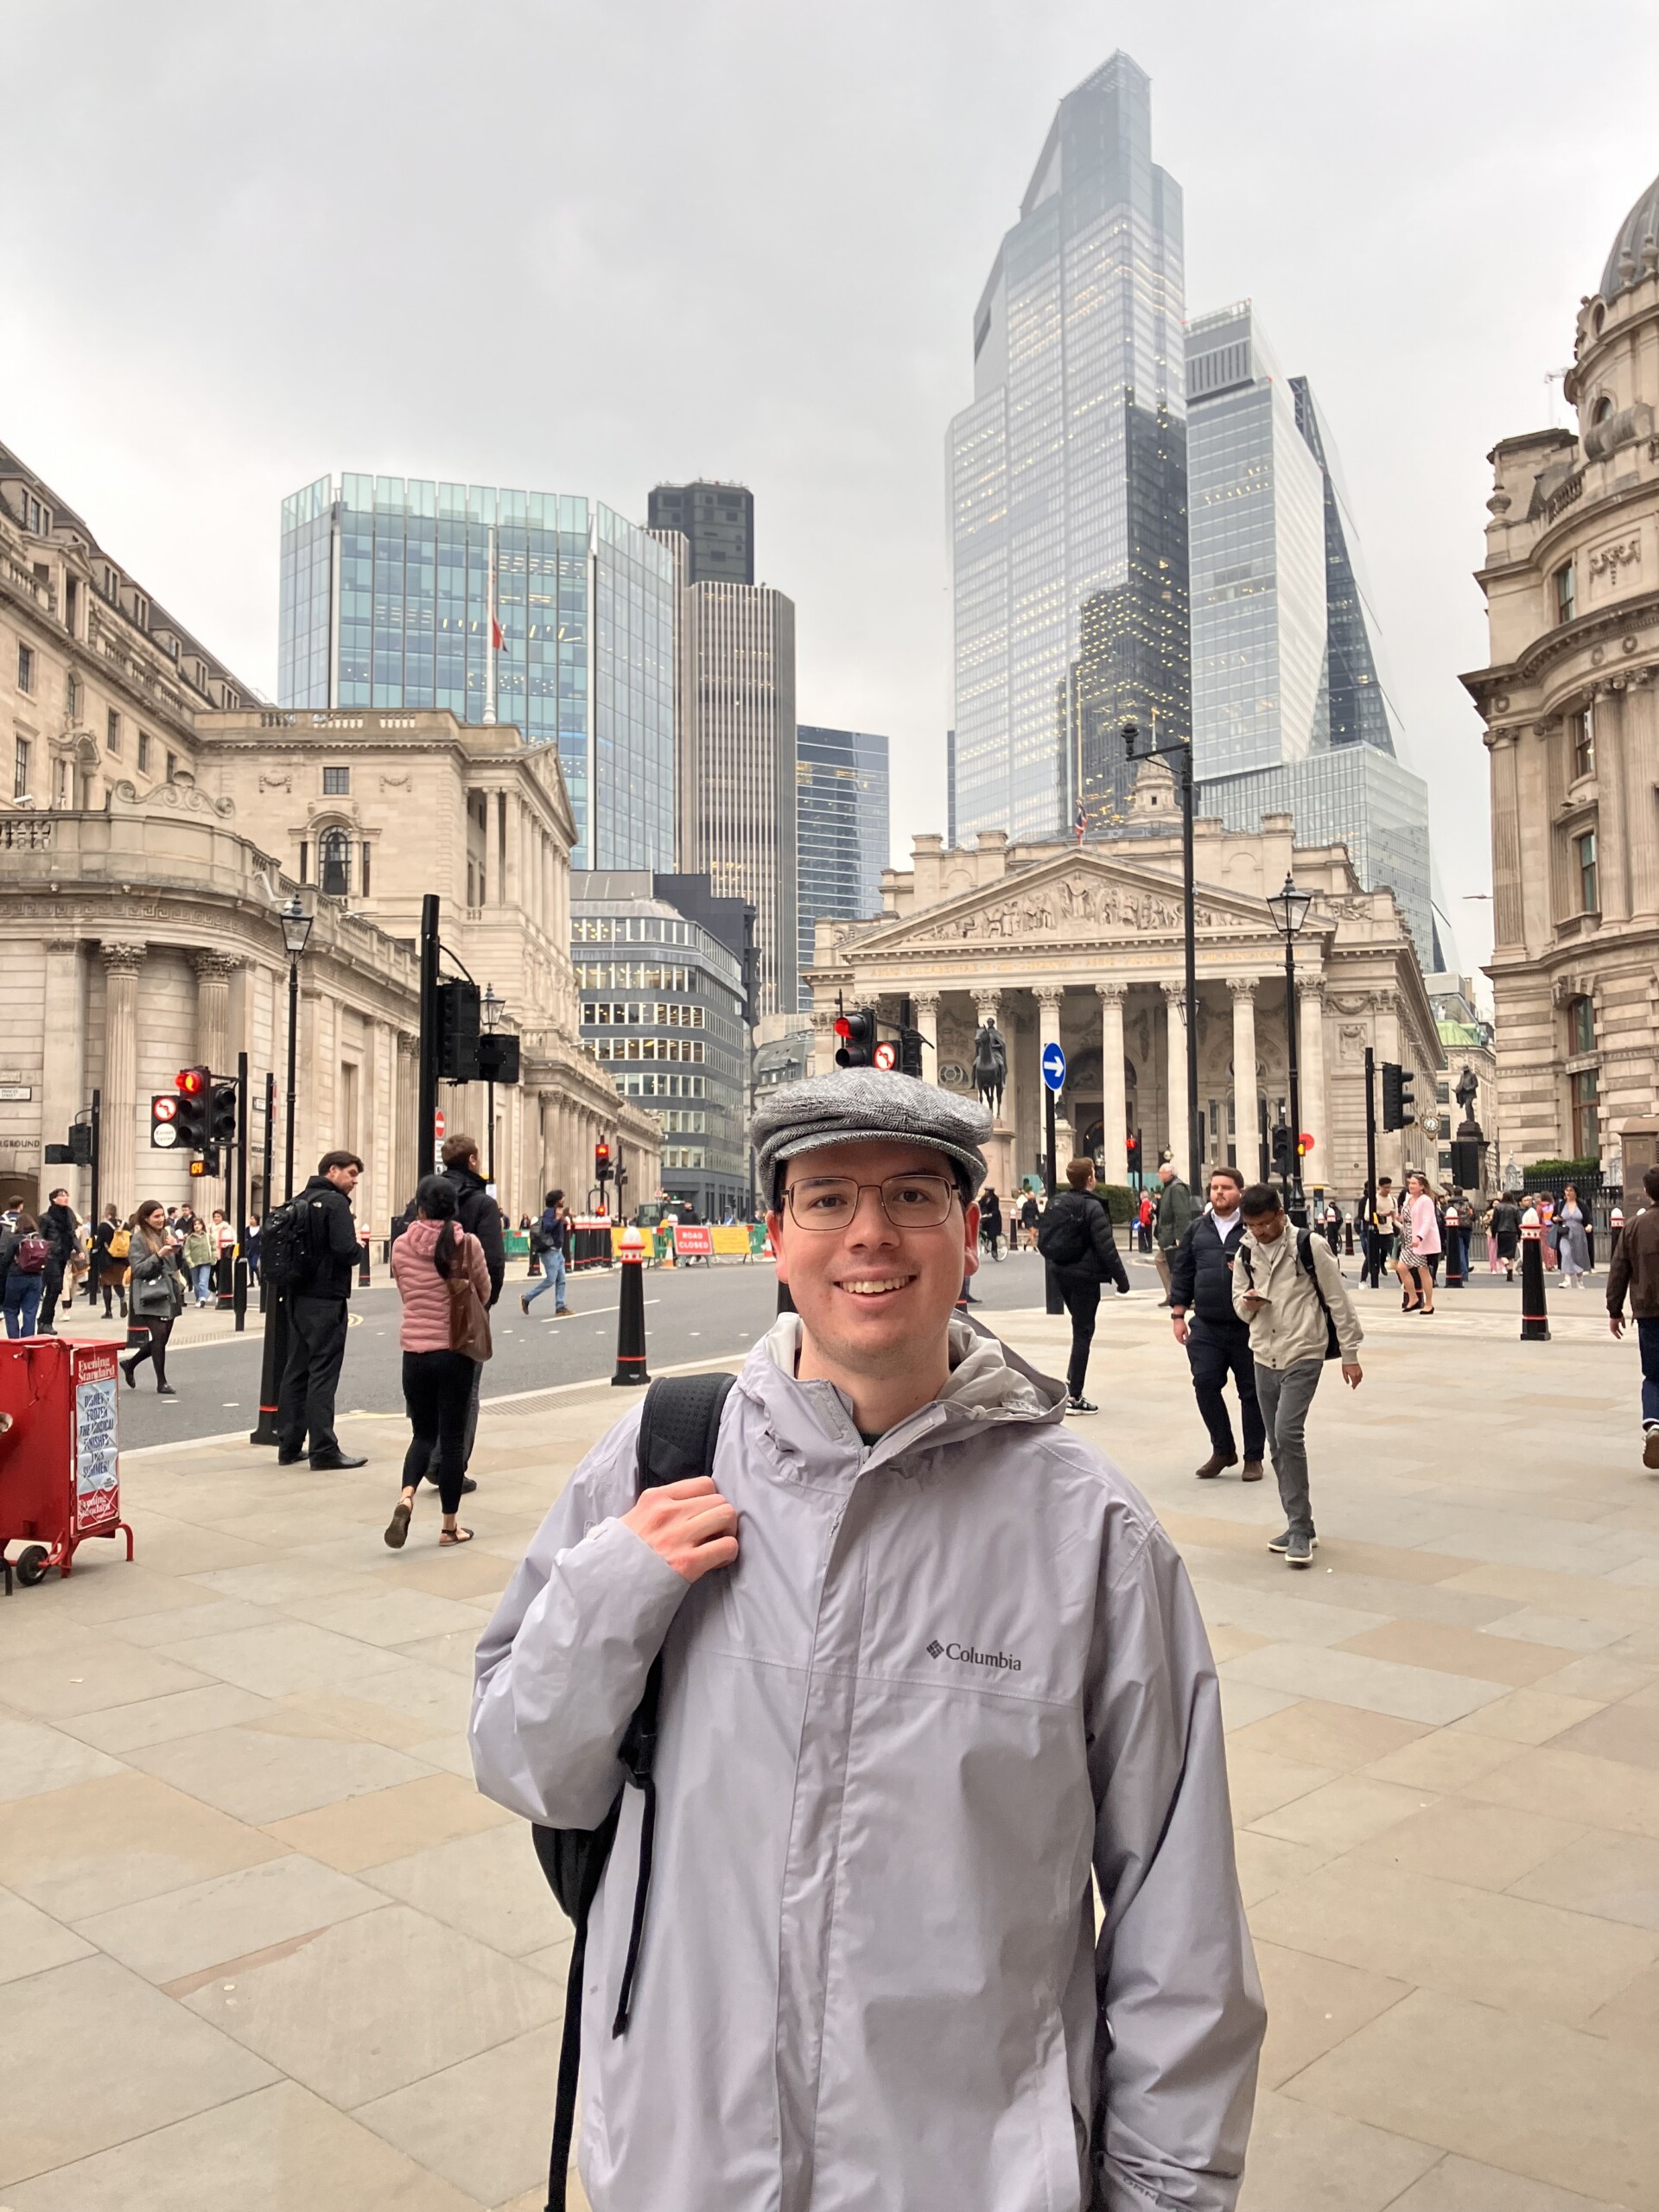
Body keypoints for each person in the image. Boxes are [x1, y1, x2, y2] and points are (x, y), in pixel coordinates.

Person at [472, 1069, 1264, 2209]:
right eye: (828, 1198)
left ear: (971, 1231)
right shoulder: (656, 1459)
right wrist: (611, 1593)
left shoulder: (1091, 1536)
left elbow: (1179, 1931)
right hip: (682, 2165)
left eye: (913, 1197)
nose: (870, 1236)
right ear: (781, 1238)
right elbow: (523, 1763)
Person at [1232, 1181, 1363, 1567]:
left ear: (1280, 1214)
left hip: (1303, 1349)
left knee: (1289, 1433)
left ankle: (1301, 1531)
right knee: (1276, 1442)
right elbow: (1237, 1303)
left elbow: (1338, 1299)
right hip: (1263, 1352)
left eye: (1264, 1224)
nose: (1259, 1232)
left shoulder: (1310, 1245)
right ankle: (1297, 1521)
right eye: (1252, 1225)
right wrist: (1248, 1304)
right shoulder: (1245, 1251)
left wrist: (1350, 1354)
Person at [385, 1175, 492, 1549]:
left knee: (422, 1435)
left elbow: (404, 1290)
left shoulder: (400, 1245)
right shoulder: (467, 1244)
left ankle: (406, 1497)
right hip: (454, 1353)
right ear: (454, 1209)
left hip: (414, 1354)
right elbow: (484, 1290)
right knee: (450, 1442)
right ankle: (449, 1528)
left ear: (419, 1207)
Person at [418, 1135, 505, 1491]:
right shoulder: (482, 1204)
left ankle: (427, 1456)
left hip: (424, 1307)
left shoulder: (422, 1202)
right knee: (465, 1389)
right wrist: (485, 1302)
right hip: (466, 1305)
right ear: (472, 1161)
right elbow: (493, 1262)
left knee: (428, 1388)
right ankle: (447, 1465)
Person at [1169, 1166, 1265, 1483]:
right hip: (1207, 1324)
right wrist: (1178, 1314)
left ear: (1240, 1191)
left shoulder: (1254, 1230)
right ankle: (1223, 1449)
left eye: (1226, 1187)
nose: (1219, 1193)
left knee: (1252, 1392)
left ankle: (1254, 1457)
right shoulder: (1198, 1229)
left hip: (1247, 1324)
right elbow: (1182, 1272)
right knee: (1205, 1383)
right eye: (1214, 1188)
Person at [276, 1149, 368, 1471]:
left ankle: (288, 1444)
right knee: (323, 1372)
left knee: (297, 1369)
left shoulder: (300, 1199)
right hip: (326, 1298)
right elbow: (345, 1250)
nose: (355, 1181)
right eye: (352, 1173)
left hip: (297, 1295)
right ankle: (324, 1449)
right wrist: (359, 1250)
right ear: (333, 1170)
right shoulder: (335, 1204)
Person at [1038, 1155, 1131, 1413]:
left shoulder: (1057, 1201)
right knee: (1083, 1332)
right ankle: (1074, 1395)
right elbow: (1106, 1247)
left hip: (1061, 1273)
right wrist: (1122, 1281)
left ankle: (1072, 1387)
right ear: (1090, 1178)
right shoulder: (1092, 1207)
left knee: (1079, 1328)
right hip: (1085, 1277)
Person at [1608, 1166, 1659, 1468]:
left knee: (1654, 1375)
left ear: (1648, 1192)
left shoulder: (1633, 1227)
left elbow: (1619, 1271)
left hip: (1649, 1310)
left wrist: (1614, 1311)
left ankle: (1654, 1425)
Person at [119, 1201, 188, 1391]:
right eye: (156, 1216)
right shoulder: (139, 1239)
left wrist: (177, 1249)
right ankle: (161, 1382)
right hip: (150, 1293)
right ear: (146, 1218)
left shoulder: (168, 1234)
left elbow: (178, 1265)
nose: (160, 1220)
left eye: (162, 1215)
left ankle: (130, 1364)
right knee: (158, 1336)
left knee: (163, 1338)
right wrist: (159, 1255)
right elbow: (138, 1269)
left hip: (169, 1291)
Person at [521, 1189, 573, 1317]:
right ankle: (527, 1298)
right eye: (562, 1198)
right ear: (557, 1201)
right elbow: (547, 1227)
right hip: (550, 1251)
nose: (564, 1200)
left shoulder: (556, 1212)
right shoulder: (549, 1212)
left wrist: (562, 1221)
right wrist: (557, 1219)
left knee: (561, 1279)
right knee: (551, 1279)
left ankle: (560, 1306)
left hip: (557, 1250)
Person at [1, 1210, 50, 1338]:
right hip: (36, 1278)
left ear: (18, 1225)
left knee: (10, 1310)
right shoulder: (40, 1240)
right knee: (30, 1311)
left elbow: (6, 1260)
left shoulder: (14, 1240)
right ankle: (27, 1341)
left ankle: (14, 1340)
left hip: (16, 1278)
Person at [1395, 1169, 1440, 1313]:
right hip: (1408, 1240)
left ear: (1422, 1187)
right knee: (1401, 1268)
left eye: (1414, 1184)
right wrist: (1399, 1219)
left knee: (1423, 1270)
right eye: (1410, 1183)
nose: (1411, 1186)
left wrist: (1419, 1237)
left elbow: (1427, 1221)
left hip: (1420, 1241)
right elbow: (1408, 1217)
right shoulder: (1408, 1199)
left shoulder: (1426, 1200)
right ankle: (1413, 1297)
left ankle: (1429, 1303)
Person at [36, 1186, 79, 1334]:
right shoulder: (45, 1218)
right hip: (51, 1256)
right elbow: (40, 1237)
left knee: (56, 1289)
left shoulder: (69, 1216)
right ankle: (45, 1321)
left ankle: (45, 1321)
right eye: (61, 1195)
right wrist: (49, 1248)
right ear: (54, 1199)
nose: (65, 1197)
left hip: (63, 1255)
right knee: (54, 1286)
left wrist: (79, 1250)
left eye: (66, 1195)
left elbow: (72, 1234)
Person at [1153, 1157, 1194, 1306]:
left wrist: (1181, 1236)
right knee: (1165, 1262)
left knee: (1167, 1262)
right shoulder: (1169, 1187)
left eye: (1161, 1172)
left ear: (1169, 1173)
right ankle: (1172, 1294)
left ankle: (1175, 1294)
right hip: (1168, 1234)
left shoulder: (1176, 1188)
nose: (1159, 1175)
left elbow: (1182, 1213)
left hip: (1173, 1235)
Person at [92, 1205, 129, 1318]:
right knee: (118, 1282)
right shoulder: (124, 1225)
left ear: (107, 1212)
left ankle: (108, 1311)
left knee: (106, 1284)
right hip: (122, 1259)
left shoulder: (103, 1226)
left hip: (107, 1259)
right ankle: (123, 1300)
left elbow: (98, 1243)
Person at [1366, 1175, 1398, 1289]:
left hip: (1388, 1230)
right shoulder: (1373, 1199)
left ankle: (1402, 1281)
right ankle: (1363, 1279)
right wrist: (1381, 1214)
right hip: (1376, 1231)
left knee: (1394, 1255)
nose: (1388, 1190)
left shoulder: (1393, 1200)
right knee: (1370, 1256)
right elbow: (1366, 1216)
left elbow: (1396, 1217)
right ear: (1379, 1187)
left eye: (1389, 1187)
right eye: (1385, 1188)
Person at [1558, 1183, 1592, 1287]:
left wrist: (1589, 1226)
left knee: (1578, 1256)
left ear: (1576, 1192)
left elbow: (1588, 1218)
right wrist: (1556, 1219)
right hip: (1565, 1233)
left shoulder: (1582, 1205)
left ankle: (1579, 1279)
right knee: (1566, 1253)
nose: (1568, 1193)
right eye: (1566, 1190)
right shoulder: (1561, 1204)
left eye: (1571, 1190)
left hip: (1578, 1233)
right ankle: (1567, 1279)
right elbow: (1553, 1217)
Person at [183, 1213, 216, 1306]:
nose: (197, 1226)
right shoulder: (190, 1238)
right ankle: (198, 1298)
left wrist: (213, 1258)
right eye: (195, 1224)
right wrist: (189, 1261)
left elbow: (214, 1247)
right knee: (196, 1283)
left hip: (206, 1261)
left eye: (199, 1224)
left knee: (203, 1281)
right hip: (194, 1262)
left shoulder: (207, 1236)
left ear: (202, 1225)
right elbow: (187, 1251)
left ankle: (202, 1298)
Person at [1490, 1190, 1522, 1281]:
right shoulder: (1515, 1208)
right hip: (1512, 1232)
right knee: (1511, 1254)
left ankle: (1507, 1264)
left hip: (1502, 1231)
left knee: (1502, 1253)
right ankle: (1510, 1273)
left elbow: (1495, 1222)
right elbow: (1518, 1223)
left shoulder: (1498, 1208)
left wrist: (1493, 1233)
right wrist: (1519, 1235)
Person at [978, 1183, 1003, 1257]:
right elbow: (980, 1205)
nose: (986, 1192)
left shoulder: (995, 1199)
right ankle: (985, 1241)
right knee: (980, 1229)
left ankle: (994, 1251)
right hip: (985, 1217)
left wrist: (991, 1214)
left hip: (993, 1219)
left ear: (991, 1191)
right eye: (986, 1190)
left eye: (988, 1191)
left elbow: (995, 1209)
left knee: (992, 1236)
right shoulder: (983, 1198)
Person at [1019, 1186, 1039, 1252]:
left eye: (1033, 1195)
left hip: (1033, 1219)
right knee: (1032, 1231)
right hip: (1027, 1219)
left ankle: (1026, 1244)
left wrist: (1041, 1218)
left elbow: (1037, 1213)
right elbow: (1023, 1213)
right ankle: (1034, 1247)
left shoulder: (1035, 1204)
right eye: (1031, 1195)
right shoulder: (1026, 1204)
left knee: (1033, 1234)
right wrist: (1022, 1221)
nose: (1033, 1196)